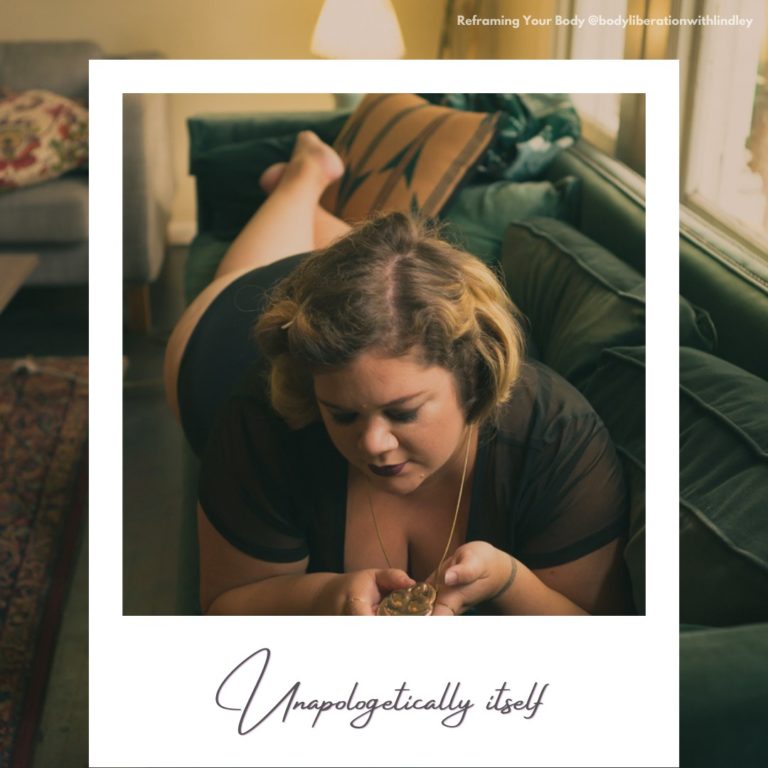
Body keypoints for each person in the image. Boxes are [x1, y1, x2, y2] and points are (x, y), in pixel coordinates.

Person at [164, 130, 632, 617]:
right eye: (342, 416)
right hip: (228, 337)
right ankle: (303, 177)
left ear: (471, 380)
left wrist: (509, 580)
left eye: (403, 412)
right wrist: (326, 598)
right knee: (258, 273)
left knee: (378, 273)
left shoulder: (557, 436)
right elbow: (224, 608)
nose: (372, 443)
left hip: (374, 315)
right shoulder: (262, 417)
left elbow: (600, 640)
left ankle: (315, 199)